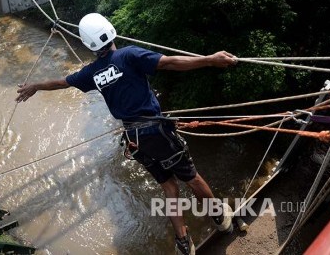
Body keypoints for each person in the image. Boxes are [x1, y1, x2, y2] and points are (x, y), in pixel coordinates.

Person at [16, 13, 237, 255]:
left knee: (169, 187)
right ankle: (220, 219)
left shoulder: (92, 73)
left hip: (135, 140)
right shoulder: (129, 55)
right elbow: (168, 62)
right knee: (192, 178)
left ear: (88, 44)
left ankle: (184, 243)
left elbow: (62, 83)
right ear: (110, 30)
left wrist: (35, 86)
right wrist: (209, 60)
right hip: (156, 133)